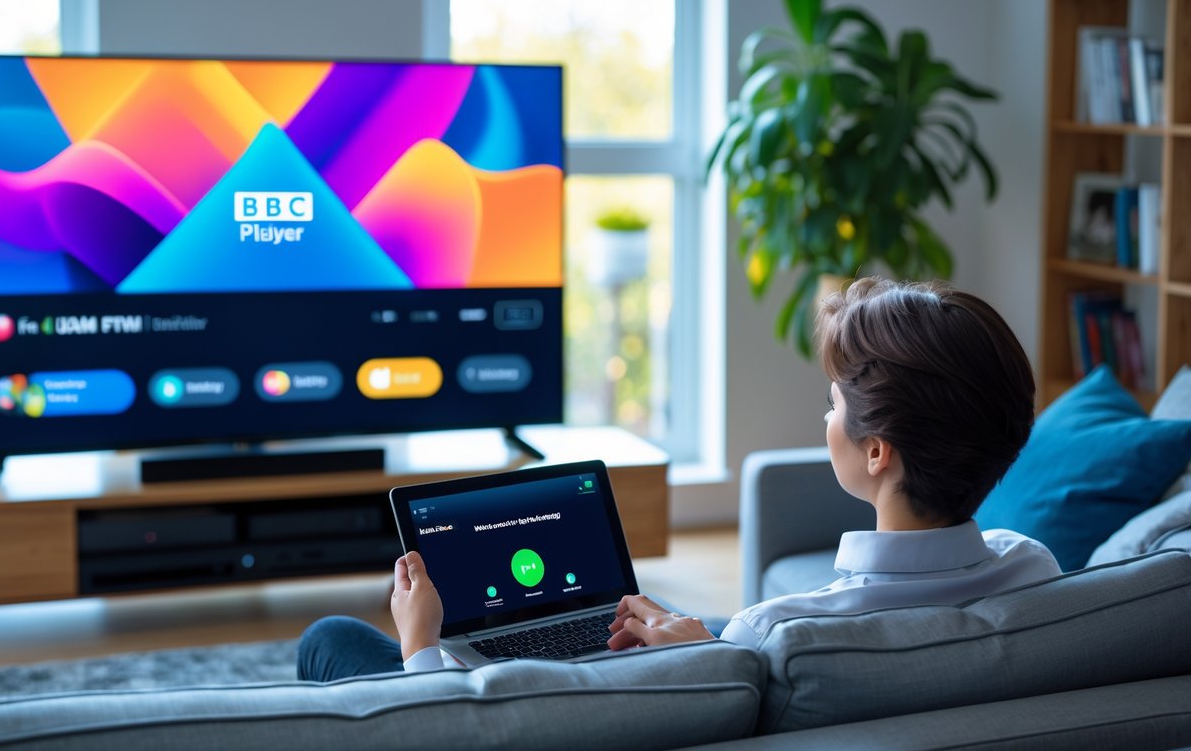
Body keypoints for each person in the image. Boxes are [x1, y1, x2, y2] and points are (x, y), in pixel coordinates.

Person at [296, 277, 1061, 681]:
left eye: (831, 405)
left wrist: (423, 645)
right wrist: (694, 638)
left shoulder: (778, 636)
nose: (824, 419)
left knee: (332, 638)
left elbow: (458, 726)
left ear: (876, 452)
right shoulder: (1036, 571)